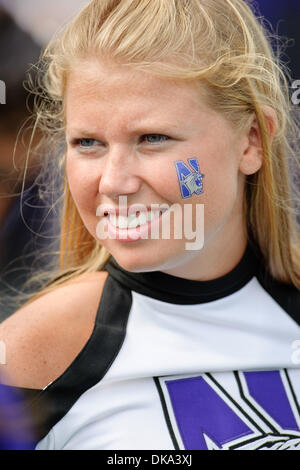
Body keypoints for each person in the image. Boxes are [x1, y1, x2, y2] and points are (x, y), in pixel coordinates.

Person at [0, 0, 300, 451]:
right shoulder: (30, 354)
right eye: (88, 143)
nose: (115, 183)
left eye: (153, 138)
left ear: (251, 141)